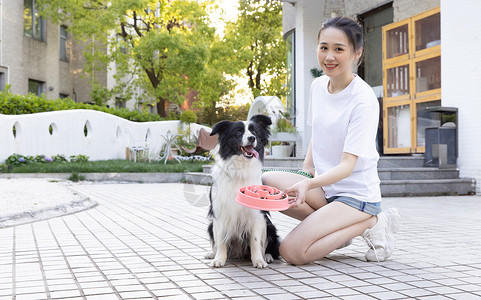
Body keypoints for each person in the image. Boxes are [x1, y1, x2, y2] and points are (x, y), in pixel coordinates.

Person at [262, 17, 399, 265]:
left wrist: (308, 185)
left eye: (339, 49)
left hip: (356, 196)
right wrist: (306, 170)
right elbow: (319, 133)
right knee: (269, 182)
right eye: (324, 47)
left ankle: (372, 221)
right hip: (327, 190)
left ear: (357, 53)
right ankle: (334, 231)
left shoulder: (363, 100)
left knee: (291, 251)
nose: (329, 56)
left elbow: (348, 166)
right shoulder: (318, 86)